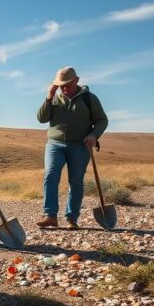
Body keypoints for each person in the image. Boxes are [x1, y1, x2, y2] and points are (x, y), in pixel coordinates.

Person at [36, 66, 108, 229]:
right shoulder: (54, 98)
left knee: (75, 182)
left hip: (80, 146)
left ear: (76, 80)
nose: (64, 88)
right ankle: (50, 216)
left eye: (67, 84)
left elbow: (102, 120)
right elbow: (41, 118)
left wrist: (94, 135)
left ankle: (71, 218)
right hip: (55, 144)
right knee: (51, 175)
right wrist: (48, 98)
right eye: (61, 85)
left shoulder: (89, 99)